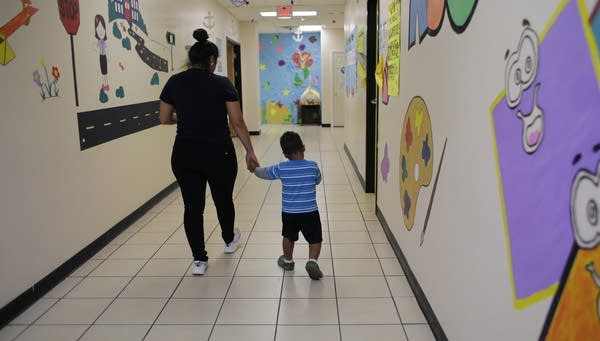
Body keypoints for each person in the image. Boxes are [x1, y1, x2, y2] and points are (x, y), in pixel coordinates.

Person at [159, 28, 259, 275]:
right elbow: (238, 121)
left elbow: (164, 118)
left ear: (191, 59)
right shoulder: (222, 83)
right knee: (222, 199)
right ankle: (228, 240)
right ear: (212, 60)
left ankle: (199, 261)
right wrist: (250, 151)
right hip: (219, 154)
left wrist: (184, 119)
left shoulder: (174, 82)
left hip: (185, 154)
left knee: (193, 206)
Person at [253, 131, 323, 280]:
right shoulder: (313, 166)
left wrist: (254, 169)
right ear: (303, 148)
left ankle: (288, 261)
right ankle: (312, 261)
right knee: (315, 238)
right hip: (310, 211)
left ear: (285, 154)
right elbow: (317, 180)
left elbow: (264, 173)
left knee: (288, 237)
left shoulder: (281, 168)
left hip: (289, 212)